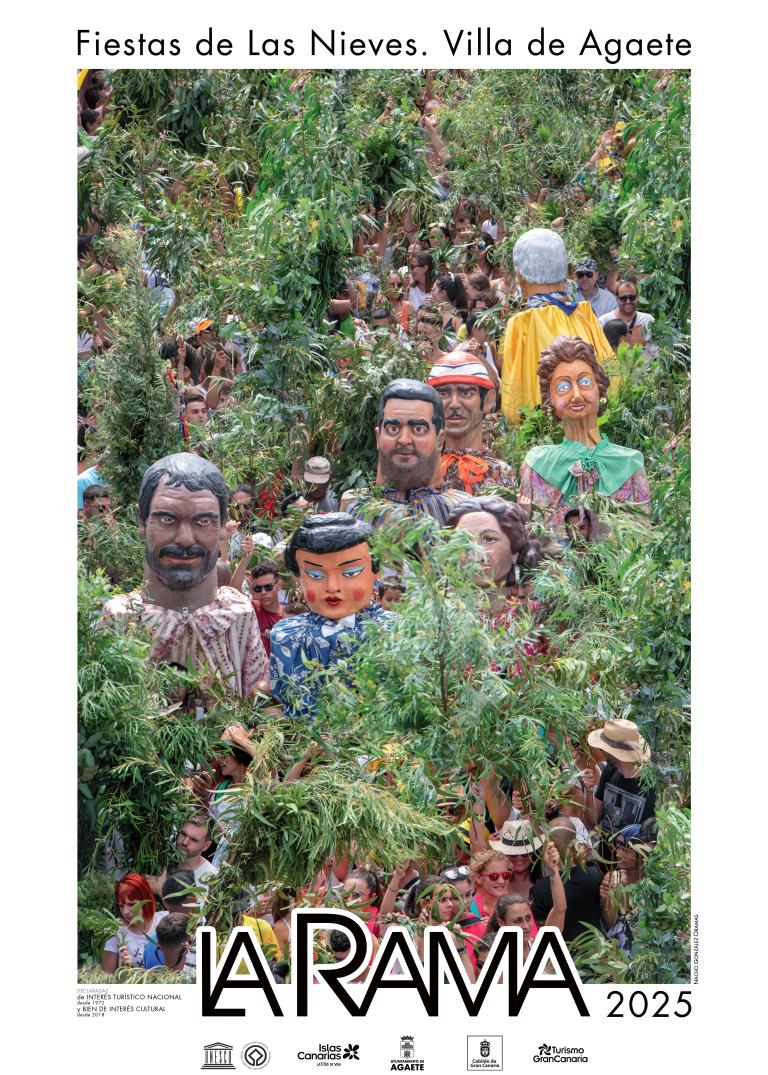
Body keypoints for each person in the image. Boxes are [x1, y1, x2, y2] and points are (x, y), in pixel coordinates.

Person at [102, 453, 269, 700]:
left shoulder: (237, 615)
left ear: (223, 525)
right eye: (167, 519)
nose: (185, 539)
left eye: (203, 521)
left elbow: (260, 701)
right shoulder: (120, 619)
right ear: (141, 522)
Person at [270, 513, 396, 719]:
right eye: (315, 575)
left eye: (350, 573)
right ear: (298, 577)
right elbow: (286, 700)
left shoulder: (395, 631)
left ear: (376, 571)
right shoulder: (287, 635)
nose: (332, 587)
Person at [519, 336, 650, 530]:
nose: (577, 395)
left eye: (585, 382)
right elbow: (530, 534)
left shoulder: (630, 463)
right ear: (549, 400)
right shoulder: (536, 464)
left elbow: (643, 535)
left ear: (600, 389)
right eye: (563, 387)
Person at [499, 229, 612, 424]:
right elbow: (612, 378)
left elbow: (514, 402)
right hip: (595, 423)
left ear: (519, 274)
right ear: (567, 271)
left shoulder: (521, 324)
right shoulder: (584, 314)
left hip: (542, 428)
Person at [341, 380, 471, 527]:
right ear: (378, 437)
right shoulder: (353, 505)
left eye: (418, 429)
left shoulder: (461, 510)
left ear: (439, 440)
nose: (404, 440)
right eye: (393, 429)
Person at [426, 353, 516, 495]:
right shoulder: (423, 472)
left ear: (488, 400)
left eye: (466, 393)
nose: (454, 404)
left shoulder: (500, 473)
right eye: (443, 394)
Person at [529, 818, 609, 943]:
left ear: (546, 846)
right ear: (574, 845)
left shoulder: (539, 890)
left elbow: (540, 931)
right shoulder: (595, 875)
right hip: (595, 949)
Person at [582, 718, 656, 832]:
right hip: (604, 843)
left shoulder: (652, 785)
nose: (603, 752)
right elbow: (591, 823)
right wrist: (589, 792)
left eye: (604, 748)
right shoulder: (610, 770)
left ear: (613, 753)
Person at [102, 873, 164, 973]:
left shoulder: (164, 920)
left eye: (131, 904)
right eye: (121, 906)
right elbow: (106, 975)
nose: (125, 911)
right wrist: (123, 971)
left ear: (145, 899)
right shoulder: (115, 929)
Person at [598, 276, 654, 345]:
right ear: (617, 299)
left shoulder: (648, 320)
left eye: (632, 297)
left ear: (637, 297)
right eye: (623, 298)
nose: (628, 301)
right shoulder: (603, 321)